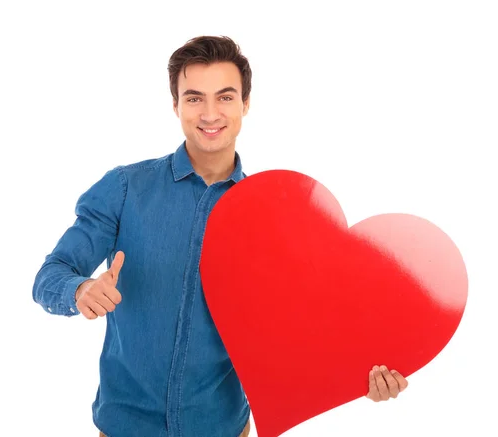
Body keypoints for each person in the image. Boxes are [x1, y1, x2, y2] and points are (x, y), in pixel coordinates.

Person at [32, 35, 408, 437]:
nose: (210, 113)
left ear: (245, 104)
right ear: (175, 105)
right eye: (194, 98)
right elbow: (51, 275)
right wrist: (80, 290)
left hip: (223, 428)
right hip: (124, 427)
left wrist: (357, 377)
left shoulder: (274, 216)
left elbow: (298, 331)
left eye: (225, 97)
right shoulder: (124, 188)